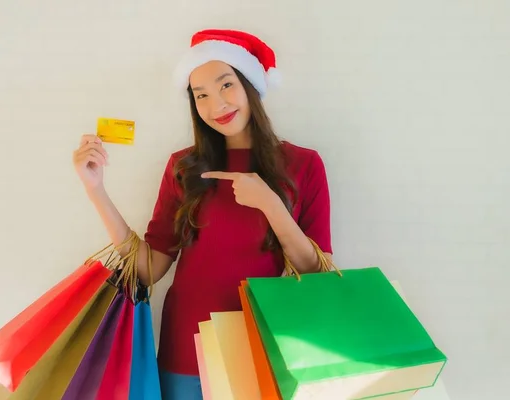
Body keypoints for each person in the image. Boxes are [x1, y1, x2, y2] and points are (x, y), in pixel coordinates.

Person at [72, 29, 333, 399]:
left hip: (265, 353)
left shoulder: (304, 164)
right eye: (201, 95)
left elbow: (317, 272)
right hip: (185, 354)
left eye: (226, 85)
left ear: (250, 86)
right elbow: (148, 270)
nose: (217, 106)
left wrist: (272, 205)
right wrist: (95, 190)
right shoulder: (183, 166)